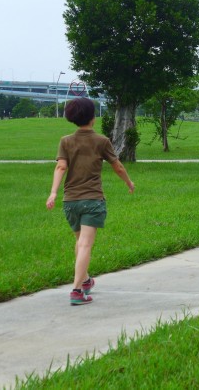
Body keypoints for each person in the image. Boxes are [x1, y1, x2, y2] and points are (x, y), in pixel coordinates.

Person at [46, 98, 135, 305]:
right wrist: (129, 182)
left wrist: (53, 193)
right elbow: (118, 166)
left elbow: (60, 167)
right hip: (92, 199)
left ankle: (85, 280)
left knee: (80, 242)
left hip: (71, 202)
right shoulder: (101, 141)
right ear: (93, 118)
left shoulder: (65, 141)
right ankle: (77, 291)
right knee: (85, 244)